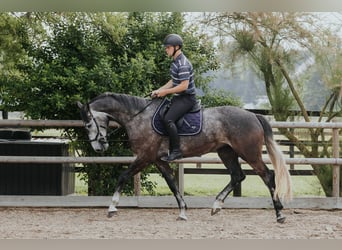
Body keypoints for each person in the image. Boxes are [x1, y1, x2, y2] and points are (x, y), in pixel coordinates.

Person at [151, 34, 197, 162]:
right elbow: (173, 81)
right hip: (179, 97)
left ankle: (176, 151)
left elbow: (183, 86)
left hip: (187, 98)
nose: (166, 49)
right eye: (166, 47)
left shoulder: (182, 64)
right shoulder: (176, 62)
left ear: (177, 47)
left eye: (168, 47)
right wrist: (159, 90)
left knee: (168, 119)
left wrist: (165, 92)